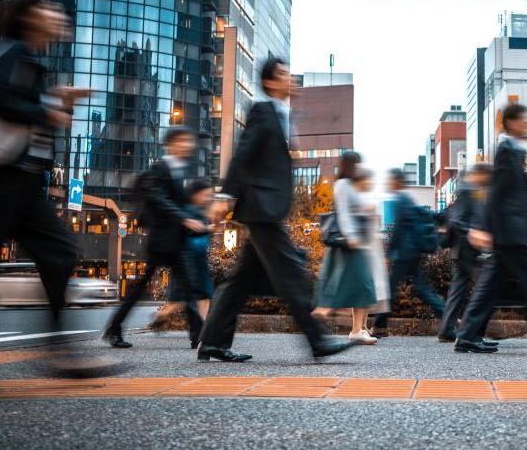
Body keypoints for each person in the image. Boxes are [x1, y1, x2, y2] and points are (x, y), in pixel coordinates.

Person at [199, 58, 350, 362]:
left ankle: (213, 342)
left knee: (240, 282)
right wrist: (226, 193)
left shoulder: (283, 115)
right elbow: (244, 153)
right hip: (260, 208)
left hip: (266, 208)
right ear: (269, 83)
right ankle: (317, 341)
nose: (289, 78)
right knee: (291, 275)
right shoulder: (263, 110)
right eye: (282, 74)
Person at [0, 0, 106, 375]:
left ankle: (61, 352)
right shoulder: (11, 52)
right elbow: (2, 98)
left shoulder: (29, 60)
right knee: (59, 253)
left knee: (60, 253)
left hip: (25, 184)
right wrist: (47, 108)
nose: (59, 16)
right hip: (4, 178)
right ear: (28, 16)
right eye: (50, 9)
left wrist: (53, 100)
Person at [454, 104, 527, 354]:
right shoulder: (506, 150)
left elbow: (507, 189)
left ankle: (467, 335)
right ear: (513, 122)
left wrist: (526, 180)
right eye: (525, 121)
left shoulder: (511, 150)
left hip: (507, 231)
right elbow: (497, 192)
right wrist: (482, 227)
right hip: (508, 231)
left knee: (490, 287)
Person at [103, 126, 203, 348]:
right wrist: (184, 218)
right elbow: (158, 199)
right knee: (141, 289)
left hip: (175, 241)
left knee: (188, 289)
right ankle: (114, 329)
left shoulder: (178, 169)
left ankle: (198, 337)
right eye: (185, 140)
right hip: (161, 241)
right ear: (172, 143)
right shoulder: (160, 168)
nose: (189, 145)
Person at [313, 161, 384, 345]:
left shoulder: (349, 186)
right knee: (362, 285)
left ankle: (357, 329)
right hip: (352, 243)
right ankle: (333, 315)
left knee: (361, 286)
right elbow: (344, 213)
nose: (359, 167)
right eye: (357, 163)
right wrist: (351, 235)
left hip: (358, 244)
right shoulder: (344, 185)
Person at [371, 168, 445, 337]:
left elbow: (398, 230)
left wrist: (389, 254)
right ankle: (448, 317)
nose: (388, 183)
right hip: (412, 251)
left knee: (391, 289)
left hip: (405, 253)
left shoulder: (400, 200)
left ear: (396, 181)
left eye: (390, 180)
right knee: (421, 289)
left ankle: (379, 327)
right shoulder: (406, 199)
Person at [153, 178, 216, 349]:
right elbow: (189, 231)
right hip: (187, 259)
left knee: (203, 296)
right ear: (195, 194)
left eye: (209, 196)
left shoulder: (201, 211)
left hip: (200, 259)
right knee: (186, 297)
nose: (207, 199)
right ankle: (165, 316)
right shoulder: (186, 210)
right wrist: (207, 228)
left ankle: (203, 332)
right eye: (205, 195)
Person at [437, 163, 496, 342]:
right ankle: (472, 332)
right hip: (467, 250)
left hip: (462, 250)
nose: (488, 181)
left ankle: (447, 330)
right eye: (487, 177)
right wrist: (473, 233)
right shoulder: (467, 190)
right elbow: (457, 220)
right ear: (479, 174)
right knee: (485, 289)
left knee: (458, 292)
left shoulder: (469, 189)